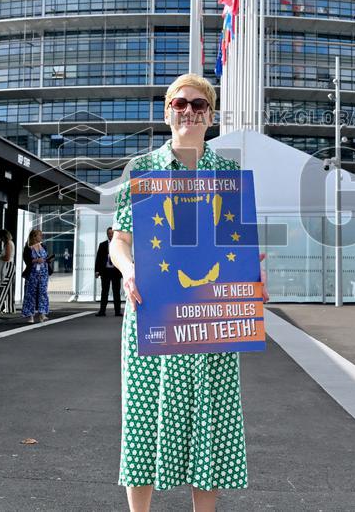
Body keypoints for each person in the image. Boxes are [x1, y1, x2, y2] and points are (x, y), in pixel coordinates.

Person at [109, 73, 268, 512]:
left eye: (199, 106)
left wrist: (254, 277)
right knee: (144, 421)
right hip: (153, 312)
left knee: (210, 423)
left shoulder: (230, 175)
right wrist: (128, 269)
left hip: (212, 320)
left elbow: (240, 249)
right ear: (167, 112)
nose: (189, 112)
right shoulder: (142, 172)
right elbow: (119, 239)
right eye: (181, 104)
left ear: (211, 116)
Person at [21, 228, 52, 323]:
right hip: (32, 273)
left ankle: (42, 313)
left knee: (43, 293)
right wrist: (36, 260)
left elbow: (45, 257)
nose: (41, 237)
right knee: (30, 294)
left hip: (43, 273)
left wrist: (48, 260)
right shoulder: (28, 247)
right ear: (34, 236)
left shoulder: (43, 246)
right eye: (39, 235)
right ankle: (30, 315)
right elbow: (27, 260)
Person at [95, 227, 122, 316]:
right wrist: (97, 271)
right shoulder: (102, 245)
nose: (110, 235)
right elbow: (98, 258)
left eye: (112, 233)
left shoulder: (120, 244)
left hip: (116, 271)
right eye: (109, 233)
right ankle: (102, 311)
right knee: (104, 292)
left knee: (116, 292)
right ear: (107, 234)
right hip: (105, 271)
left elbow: (123, 258)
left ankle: (117, 311)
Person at [0, 229, 15, 311]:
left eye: (0, 237)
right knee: (8, 288)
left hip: (7, 267)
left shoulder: (8, 243)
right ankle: (10, 308)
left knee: (3, 287)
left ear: (3, 236)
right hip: (9, 267)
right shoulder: (9, 243)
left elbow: (7, 257)